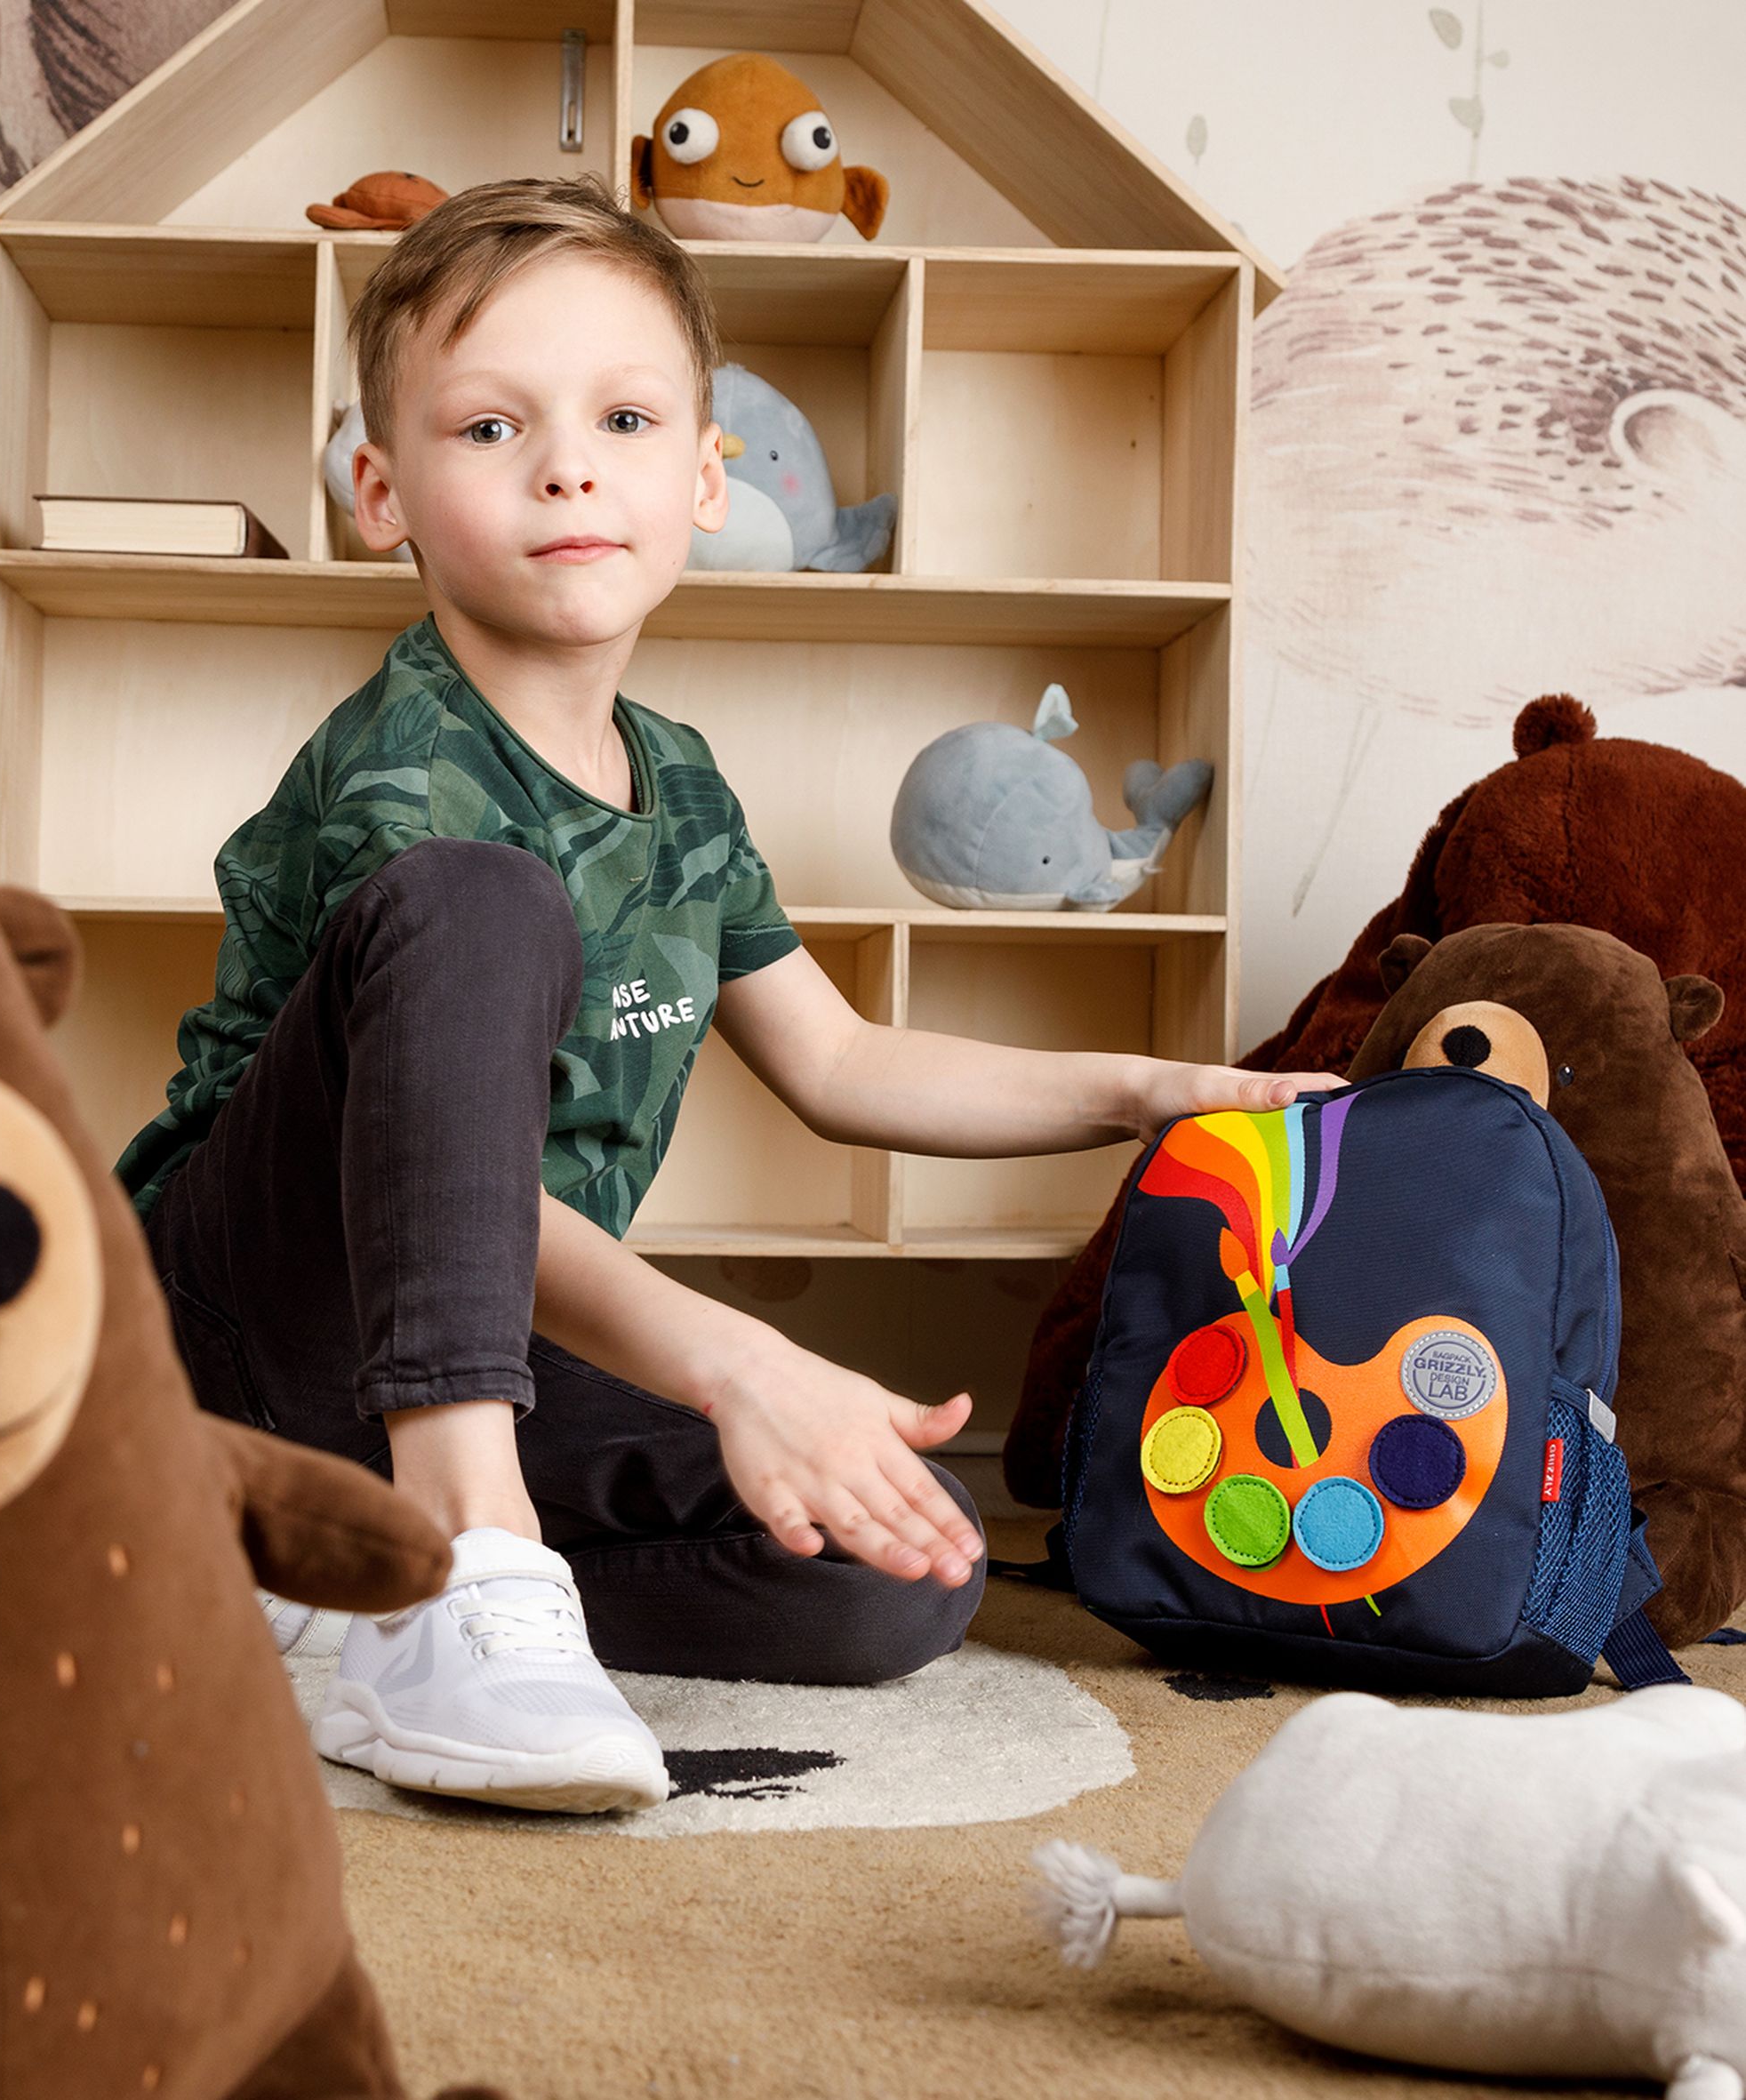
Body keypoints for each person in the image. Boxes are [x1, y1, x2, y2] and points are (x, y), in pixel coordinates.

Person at [120, 173, 1341, 1816]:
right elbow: (415, 1174)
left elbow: (841, 1060)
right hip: (251, 1326)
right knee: (485, 902)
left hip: (499, 1338)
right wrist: (732, 1358)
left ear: (704, 478)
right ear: (378, 491)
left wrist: (1142, 1091)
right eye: (488, 427)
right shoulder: (406, 770)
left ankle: (344, 1576)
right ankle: (453, 1563)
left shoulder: (679, 784)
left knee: (897, 1562)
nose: (565, 465)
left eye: (622, 419)